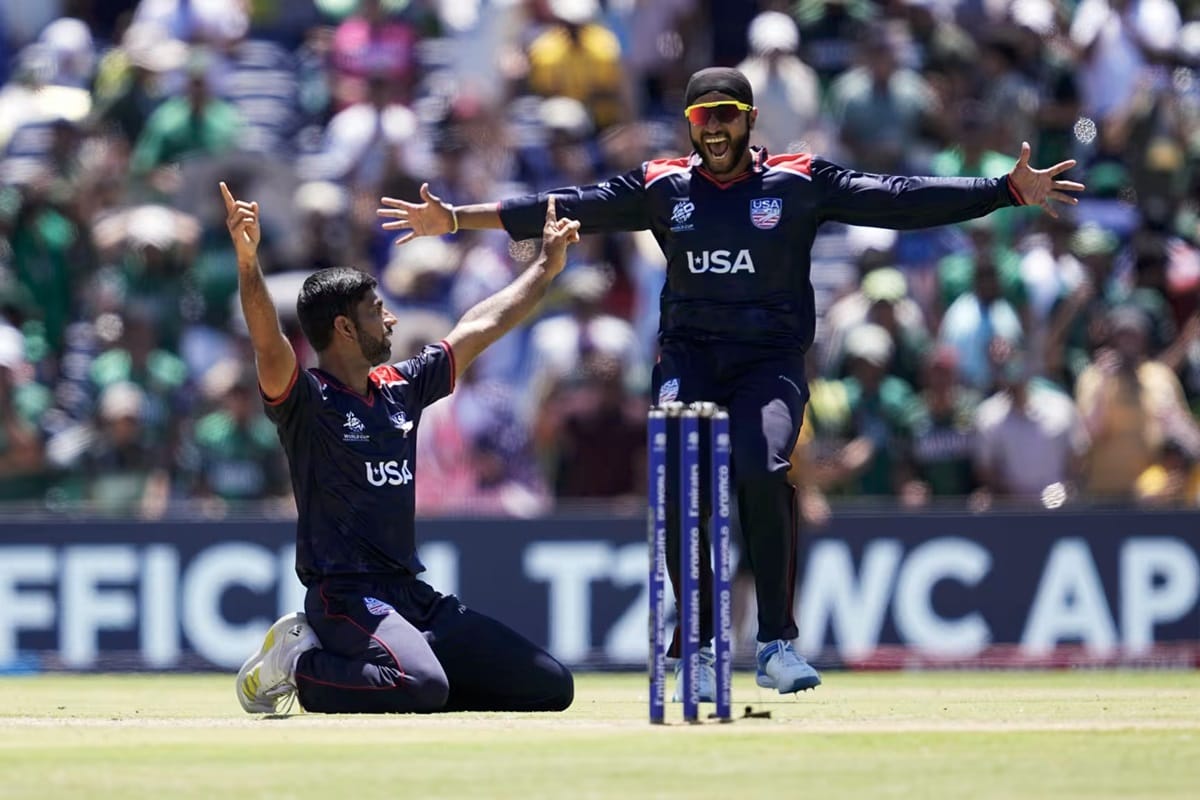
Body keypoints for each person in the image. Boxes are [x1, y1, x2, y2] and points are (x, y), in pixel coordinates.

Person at [376, 66, 1084, 698]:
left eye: (727, 115)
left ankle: (775, 641)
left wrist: (1002, 190)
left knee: (762, 465)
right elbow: (572, 204)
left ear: (750, 120)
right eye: (702, 118)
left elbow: (897, 198)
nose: (715, 129)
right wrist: (456, 219)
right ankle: (704, 641)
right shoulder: (663, 187)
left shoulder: (800, 181)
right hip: (691, 356)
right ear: (691, 126)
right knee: (684, 473)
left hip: (768, 361)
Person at [222, 182, 579, 714]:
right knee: (421, 688)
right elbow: (267, 340)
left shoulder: (400, 387)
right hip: (343, 598)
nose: (390, 319)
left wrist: (544, 269)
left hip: (412, 595)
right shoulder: (308, 400)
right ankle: (299, 662)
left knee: (549, 686)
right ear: (344, 327)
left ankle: (410, 670)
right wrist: (248, 261)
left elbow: (479, 325)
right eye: (375, 310)